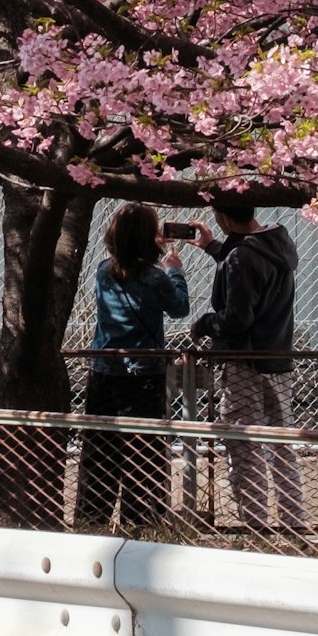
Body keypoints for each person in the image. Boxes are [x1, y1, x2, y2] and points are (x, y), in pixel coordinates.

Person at [76, 205, 189, 537]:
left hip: (103, 371)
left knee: (99, 452)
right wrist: (175, 270)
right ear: (148, 238)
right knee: (144, 452)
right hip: (144, 375)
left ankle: (91, 520)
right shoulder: (155, 277)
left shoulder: (102, 271)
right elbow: (180, 308)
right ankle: (140, 524)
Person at [193, 194, 302, 537]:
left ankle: (255, 525)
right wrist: (214, 249)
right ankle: (292, 523)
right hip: (277, 359)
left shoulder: (241, 256)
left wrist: (206, 324)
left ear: (222, 218)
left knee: (243, 443)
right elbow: (248, 269)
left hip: (245, 363)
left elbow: (237, 318)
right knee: (281, 444)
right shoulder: (276, 243)